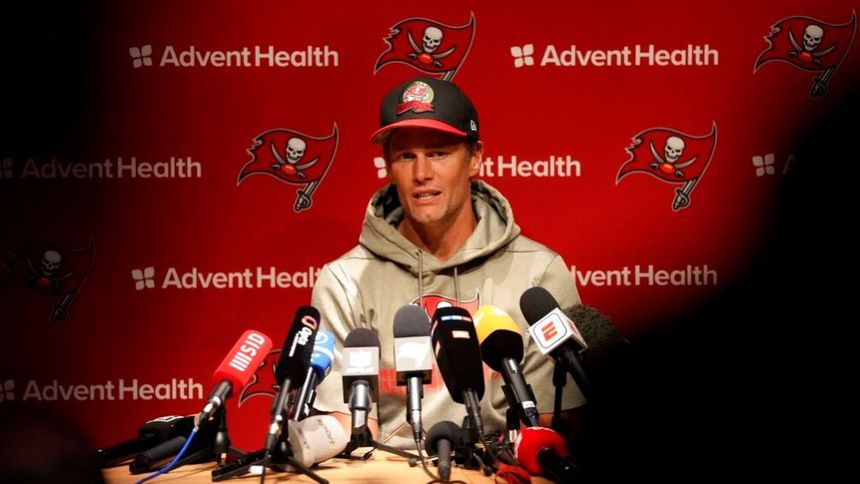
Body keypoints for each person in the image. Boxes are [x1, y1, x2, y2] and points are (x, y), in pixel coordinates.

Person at [310, 76, 586, 450]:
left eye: (438, 153)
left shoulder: (538, 274)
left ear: (475, 158)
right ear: (388, 166)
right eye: (406, 156)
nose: (421, 174)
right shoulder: (346, 281)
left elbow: (551, 426)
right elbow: (352, 430)